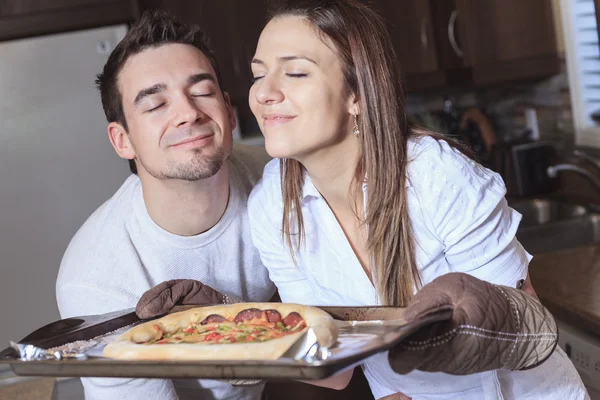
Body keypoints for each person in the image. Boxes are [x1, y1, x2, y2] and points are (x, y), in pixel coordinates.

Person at [245, 0, 589, 399]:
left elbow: (533, 336)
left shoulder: (433, 176)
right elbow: (330, 368)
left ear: (356, 94)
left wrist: (488, 315)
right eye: (258, 74)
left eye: (295, 72)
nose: (264, 93)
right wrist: (240, 335)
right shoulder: (273, 205)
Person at [55, 11, 275, 400]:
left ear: (228, 108)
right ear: (121, 140)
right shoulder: (95, 276)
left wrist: (227, 316)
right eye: (156, 104)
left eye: (202, 92)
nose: (188, 113)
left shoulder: (280, 182)